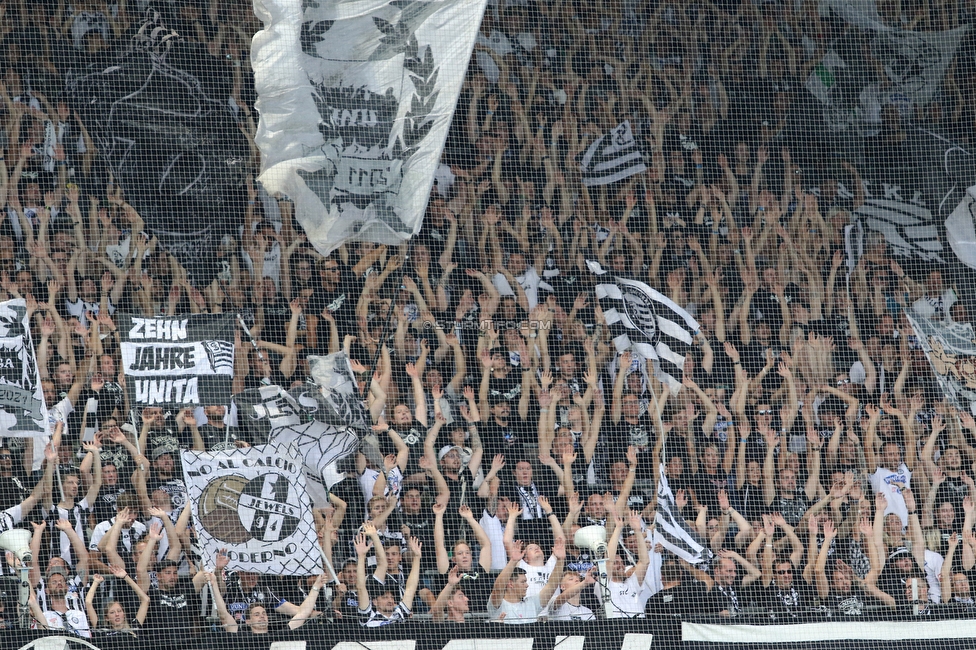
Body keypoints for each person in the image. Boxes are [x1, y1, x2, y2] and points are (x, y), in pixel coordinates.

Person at [487, 537, 564, 624]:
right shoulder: (498, 605)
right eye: (523, 582)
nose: (527, 585)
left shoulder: (532, 604)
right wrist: (513, 561)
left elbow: (551, 586)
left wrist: (560, 560)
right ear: (510, 584)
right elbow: (498, 587)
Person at [355, 533, 423, 627]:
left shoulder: (399, 615)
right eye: (385, 597)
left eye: (391, 597)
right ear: (374, 601)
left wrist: (417, 557)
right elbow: (361, 588)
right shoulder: (367, 616)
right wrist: (361, 556)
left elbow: (410, 589)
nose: (390, 600)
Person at [85, 565, 149, 637]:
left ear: (124, 614)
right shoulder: (102, 631)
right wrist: (96, 582)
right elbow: (88, 602)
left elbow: (145, 600)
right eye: (112, 612)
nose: (117, 614)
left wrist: (126, 577)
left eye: (119, 611)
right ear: (107, 618)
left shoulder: (134, 628)